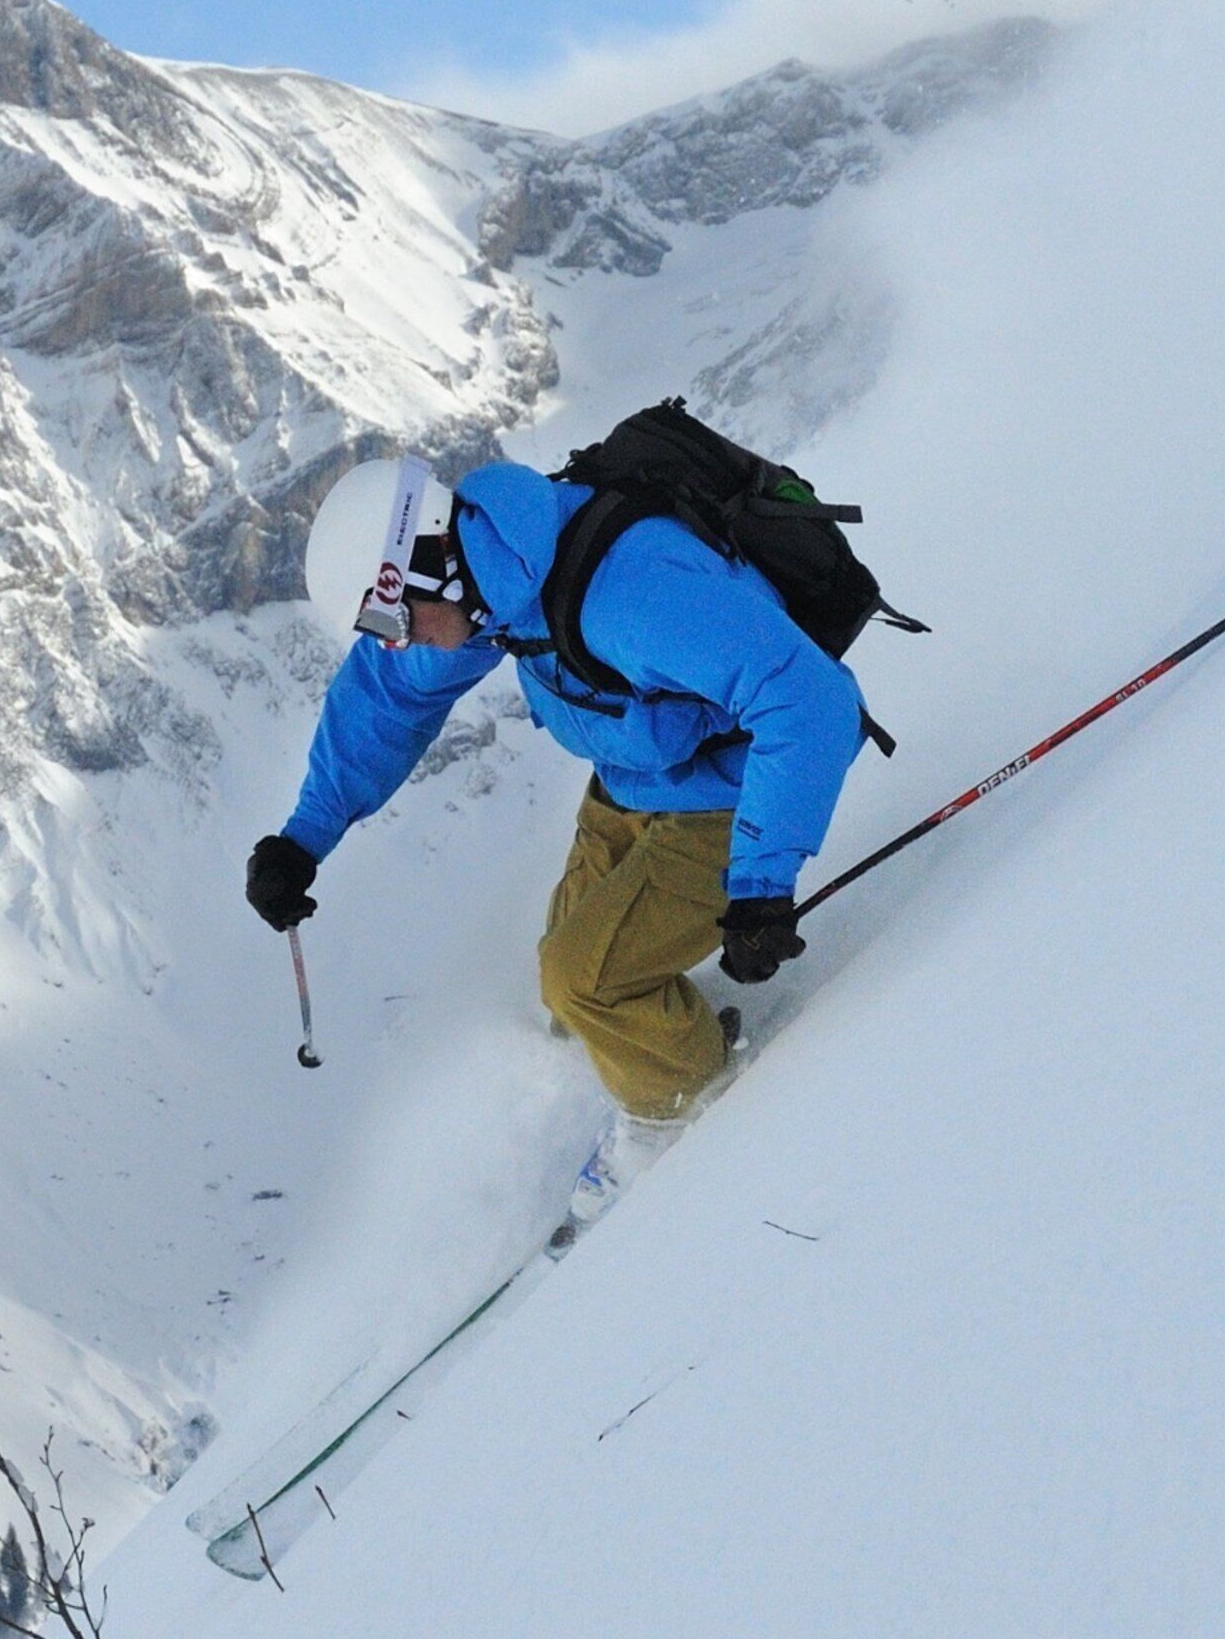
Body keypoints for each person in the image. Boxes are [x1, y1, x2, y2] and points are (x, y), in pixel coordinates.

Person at [244, 452, 869, 1220]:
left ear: (432, 560)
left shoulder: (626, 595)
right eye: (376, 625)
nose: (393, 641)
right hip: (636, 781)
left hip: (731, 797)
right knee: (568, 1000)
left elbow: (812, 701)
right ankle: (661, 1047)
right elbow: (386, 698)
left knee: (584, 981)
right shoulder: (494, 587)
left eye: (390, 619)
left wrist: (761, 889)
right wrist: (303, 839)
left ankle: (695, 1120)